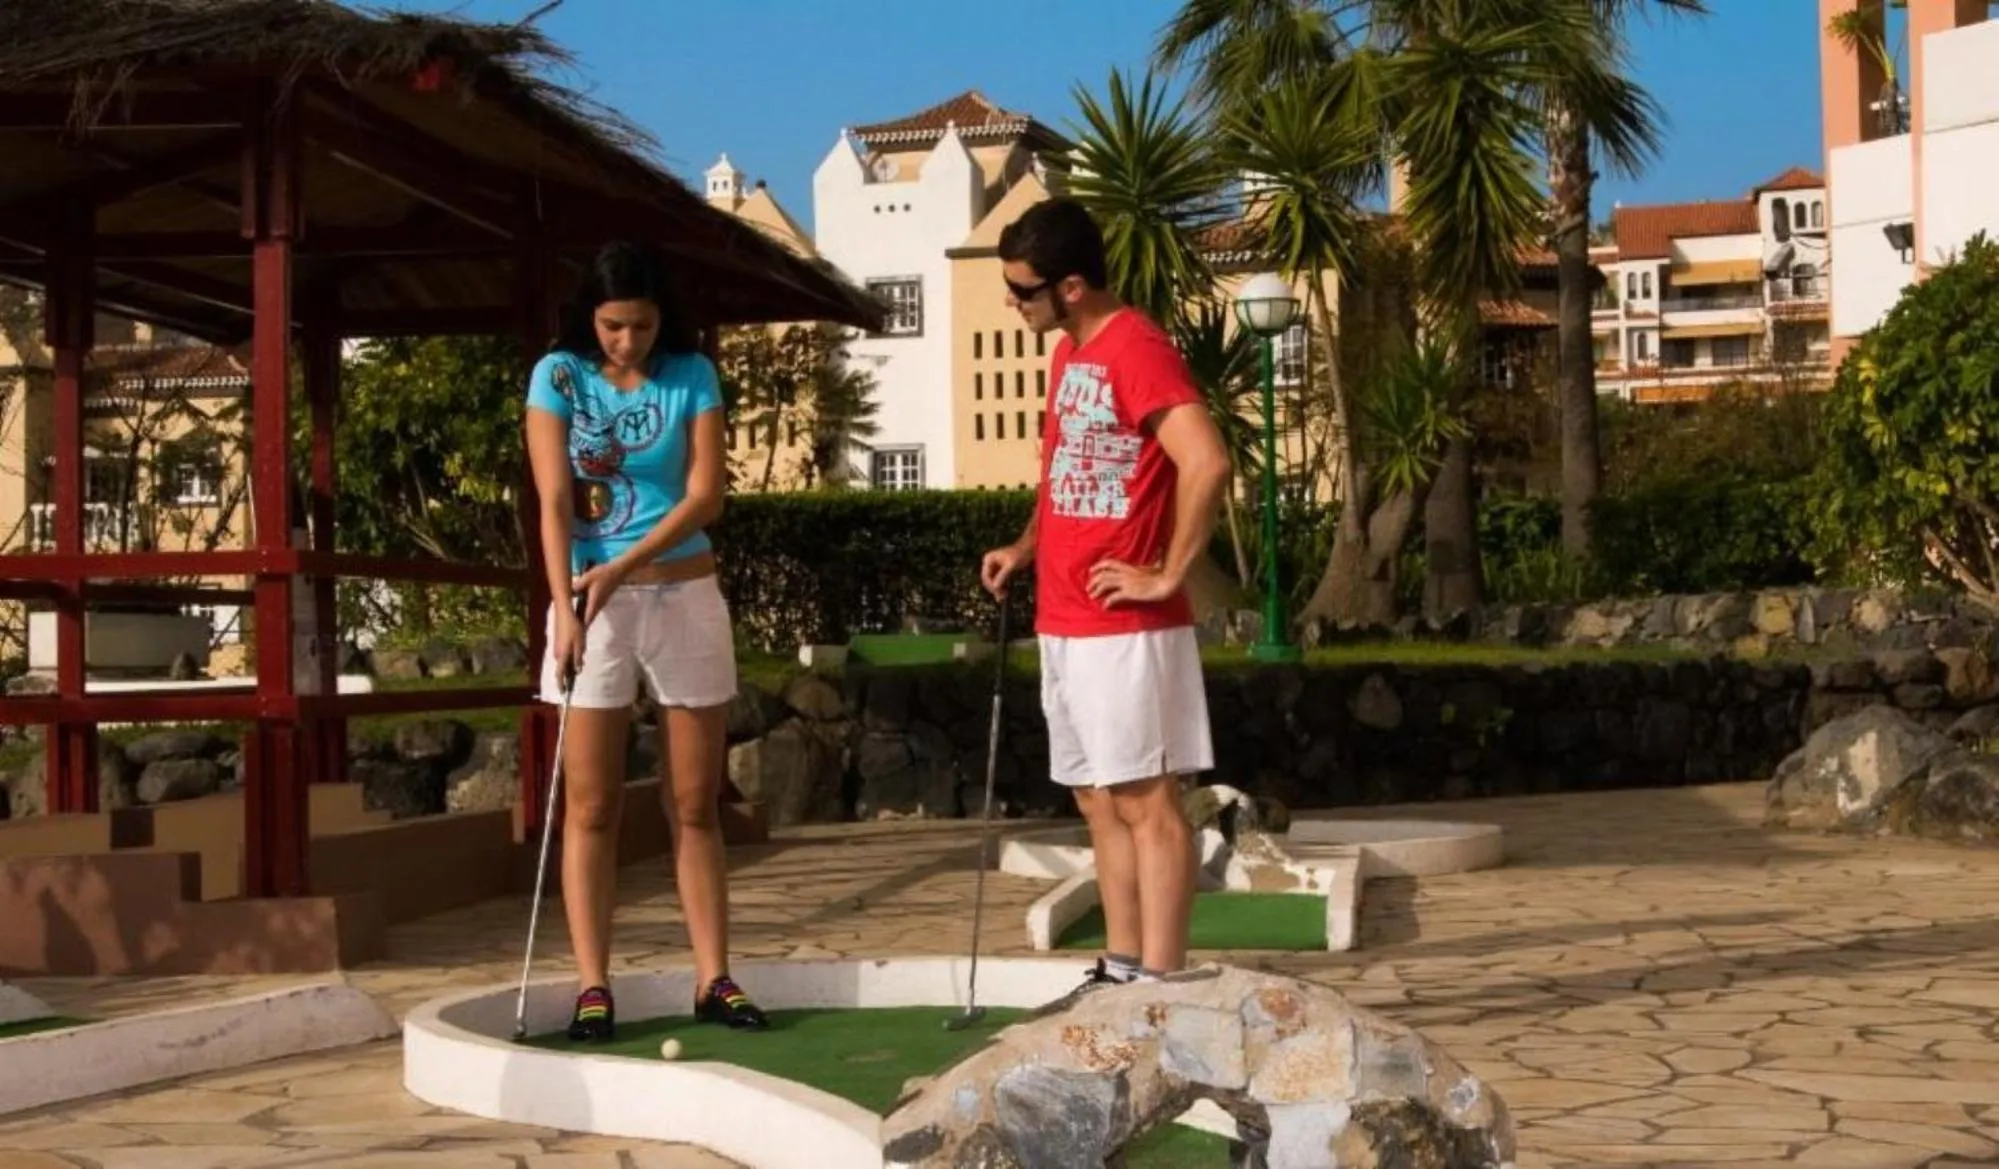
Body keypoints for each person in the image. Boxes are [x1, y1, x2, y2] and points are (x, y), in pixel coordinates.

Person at [980, 198, 1232, 988]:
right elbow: (1066, 474)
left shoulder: (1137, 349)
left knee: (1149, 801)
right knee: (1097, 798)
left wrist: (1164, 573)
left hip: (1126, 626)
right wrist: (1025, 545)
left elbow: (1208, 462)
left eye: (1023, 290)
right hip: (1064, 616)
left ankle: (1162, 977)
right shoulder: (1070, 357)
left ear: (1073, 286)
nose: (1012, 302)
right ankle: (1123, 965)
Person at [524, 239, 767, 1040]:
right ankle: (594, 985)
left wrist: (622, 565)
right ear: (588, 317)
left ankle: (714, 977)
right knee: (590, 806)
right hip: (591, 606)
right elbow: (555, 500)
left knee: (695, 801)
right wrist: (562, 606)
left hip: (684, 595)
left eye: (641, 326)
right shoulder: (557, 375)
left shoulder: (691, 375)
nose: (627, 342)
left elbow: (705, 498)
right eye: (612, 325)